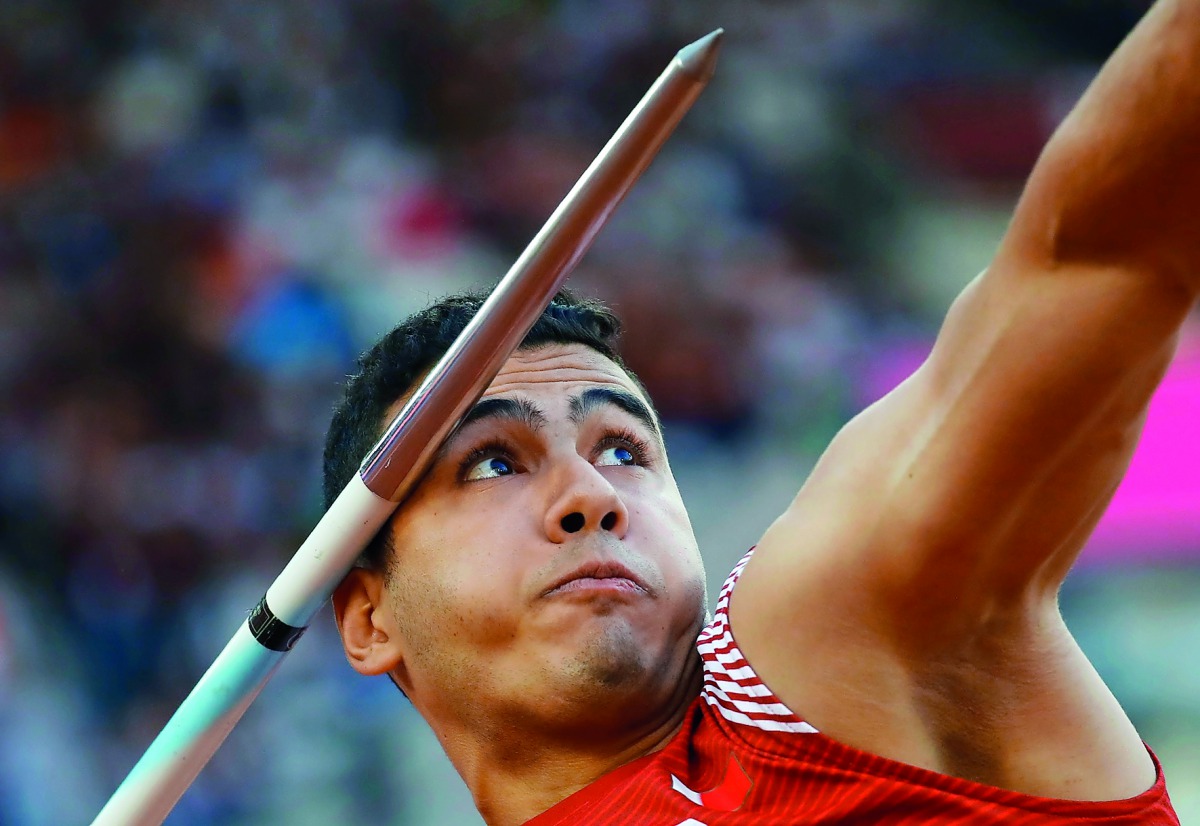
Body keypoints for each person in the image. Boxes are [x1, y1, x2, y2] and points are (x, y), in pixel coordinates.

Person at [322, 1, 1195, 823]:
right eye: (494, 462)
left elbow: (1103, 249)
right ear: (370, 618)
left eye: (625, 449)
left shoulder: (814, 662)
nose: (593, 495)